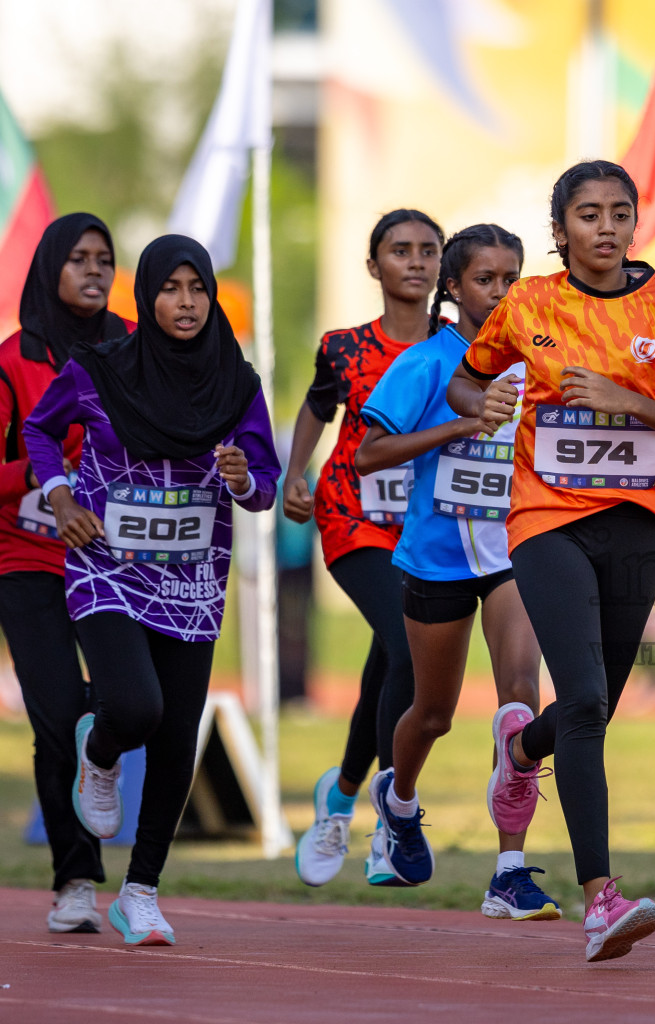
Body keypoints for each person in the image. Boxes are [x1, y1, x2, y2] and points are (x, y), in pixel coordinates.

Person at [447, 160, 655, 962]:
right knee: (586, 697)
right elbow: (470, 384)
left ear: (636, 222)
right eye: (586, 215)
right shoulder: (530, 303)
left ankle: (520, 751)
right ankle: (600, 898)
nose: (604, 228)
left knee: (590, 710)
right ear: (560, 228)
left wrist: (629, 400)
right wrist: (487, 402)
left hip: (638, 523)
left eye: (618, 213)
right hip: (547, 520)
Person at [24, 234, 279, 946]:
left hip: (193, 579)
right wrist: (61, 497)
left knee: (175, 738)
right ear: (147, 296)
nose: (187, 302)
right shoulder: (99, 368)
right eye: (171, 288)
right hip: (105, 564)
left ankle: (141, 891)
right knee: (135, 706)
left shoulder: (238, 381)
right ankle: (99, 750)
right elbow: (40, 430)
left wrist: (244, 479)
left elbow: (265, 484)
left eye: (199, 288)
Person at [355, 223, 556, 920]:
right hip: (436, 558)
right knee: (433, 714)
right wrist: (459, 427)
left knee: (519, 702)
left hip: (511, 555)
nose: (498, 293)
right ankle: (399, 799)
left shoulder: (536, 363)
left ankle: (509, 871)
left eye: (510, 280)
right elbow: (368, 455)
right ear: (453, 286)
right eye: (483, 280)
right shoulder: (426, 363)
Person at [0, 213, 131, 932]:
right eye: (79, 259)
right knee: (55, 717)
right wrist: (49, 476)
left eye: (104, 259)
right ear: (50, 269)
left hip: (113, 562)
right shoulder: (13, 360)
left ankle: (107, 732)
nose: (95, 271)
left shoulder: (134, 346)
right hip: (28, 560)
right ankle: (74, 879)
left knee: (131, 704)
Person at [285, 209, 442, 887]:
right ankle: (388, 818)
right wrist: (297, 469)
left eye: (428, 251)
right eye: (400, 251)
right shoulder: (344, 347)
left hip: (428, 523)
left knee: (389, 663)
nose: (415, 262)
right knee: (407, 649)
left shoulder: (462, 345)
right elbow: (318, 408)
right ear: (374, 267)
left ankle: (342, 792)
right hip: (352, 514)